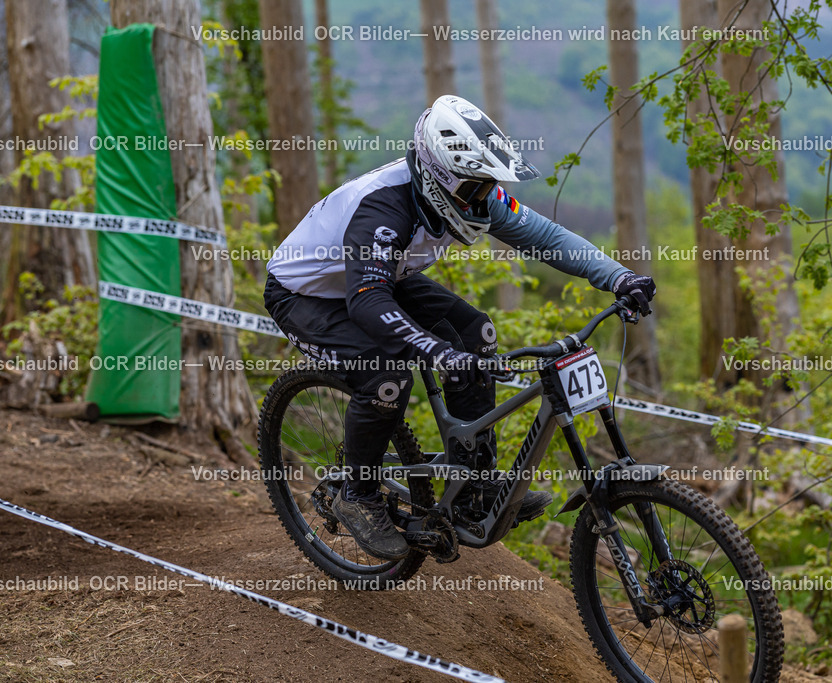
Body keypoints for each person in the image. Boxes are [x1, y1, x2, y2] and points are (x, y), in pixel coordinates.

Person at [264, 95, 656, 561]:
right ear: (439, 178)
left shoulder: (470, 194)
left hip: (385, 278)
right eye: (475, 188)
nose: (484, 198)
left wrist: (618, 277)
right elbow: (367, 302)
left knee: (476, 336)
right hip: (304, 294)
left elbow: (547, 237)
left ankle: (475, 487)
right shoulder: (383, 211)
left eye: (488, 185)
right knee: (385, 377)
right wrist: (436, 352)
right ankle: (359, 494)